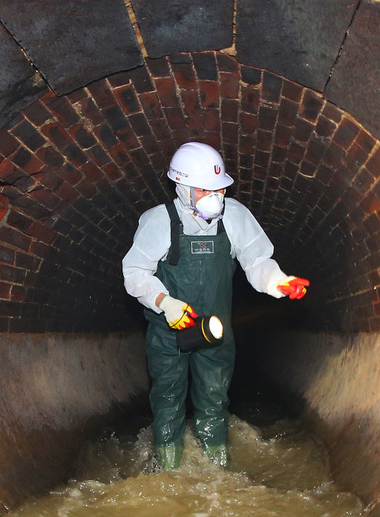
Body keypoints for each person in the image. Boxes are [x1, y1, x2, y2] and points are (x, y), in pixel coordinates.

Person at [122, 142, 309, 471]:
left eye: (219, 189)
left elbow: (257, 261)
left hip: (215, 331)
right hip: (169, 334)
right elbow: (134, 272)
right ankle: (167, 470)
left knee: (214, 400)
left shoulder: (234, 216)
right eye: (205, 190)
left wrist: (279, 282)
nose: (215, 197)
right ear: (181, 188)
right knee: (167, 403)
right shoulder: (158, 221)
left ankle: (217, 473)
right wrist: (165, 303)